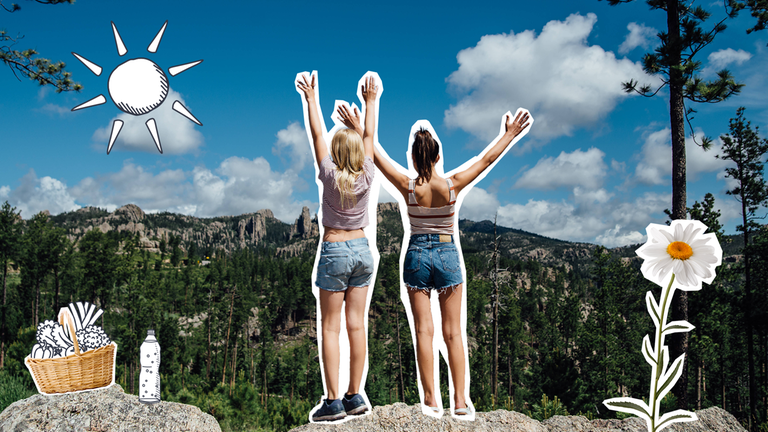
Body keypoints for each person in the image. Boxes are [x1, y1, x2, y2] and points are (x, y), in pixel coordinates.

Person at [343, 104, 530, 417]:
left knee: (424, 332)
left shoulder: (408, 187)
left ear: (415, 158)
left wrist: (361, 125)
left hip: (417, 254)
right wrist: (509, 134)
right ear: (438, 156)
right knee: (454, 332)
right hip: (447, 253)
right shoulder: (453, 185)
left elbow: (374, 154)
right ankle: (459, 401)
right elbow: (486, 160)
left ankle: (431, 399)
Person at [296, 72, 378, 422]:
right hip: (363, 250)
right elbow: (369, 136)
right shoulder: (369, 173)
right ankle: (355, 395)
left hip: (335, 251)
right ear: (359, 152)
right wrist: (370, 102)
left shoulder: (329, 174)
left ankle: (332, 402)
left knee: (330, 328)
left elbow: (317, 133)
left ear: (335, 153)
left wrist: (312, 99)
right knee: (356, 326)